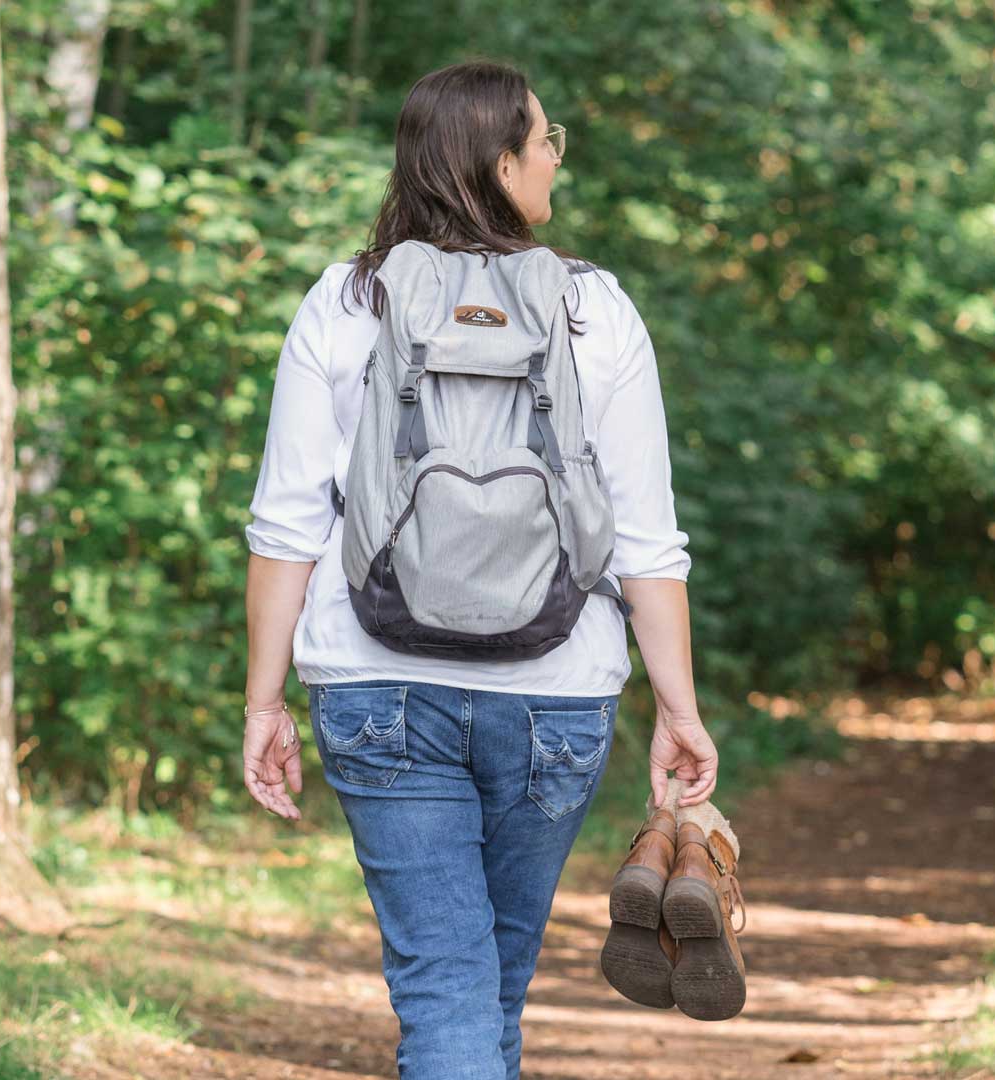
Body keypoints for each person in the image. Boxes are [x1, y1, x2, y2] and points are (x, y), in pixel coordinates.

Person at [242, 58, 718, 1080]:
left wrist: (263, 700)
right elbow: (645, 536)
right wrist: (679, 707)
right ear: (503, 163)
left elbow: (287, 523)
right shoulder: (594, 309)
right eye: (547, 142)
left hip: (376, 685)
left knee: (449, 985)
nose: (555, 161)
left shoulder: (346, 299)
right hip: (556, 694)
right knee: (486, 981)